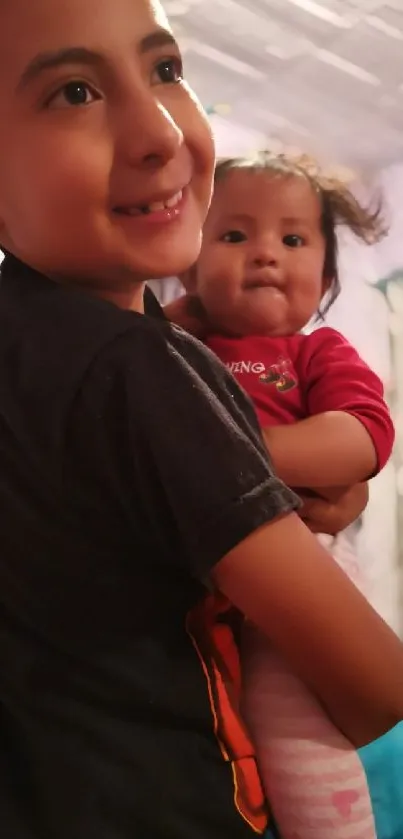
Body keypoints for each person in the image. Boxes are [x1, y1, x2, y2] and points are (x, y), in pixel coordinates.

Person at [0, 4, 402, 839]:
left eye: (166, 71)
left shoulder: (45, 346)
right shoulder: (139, 365)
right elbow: (374, 687)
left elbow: (362, 430)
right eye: (74, 91)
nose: (158, 131)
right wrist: (254, 470)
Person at [167, 153, 398, 837]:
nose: (265, 253)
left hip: (301, 567)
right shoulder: (176, 346)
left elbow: (359, 437)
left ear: (325, 278)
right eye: (233, 236)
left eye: (292, 239)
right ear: (190, 261)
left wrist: (233, 459)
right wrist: (178, 309)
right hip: (199, 580)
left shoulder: (313, 352)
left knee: (291, 720)